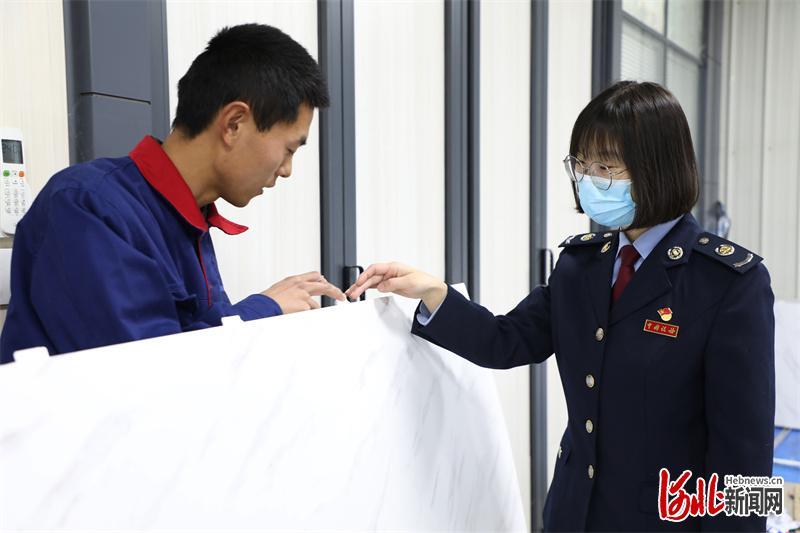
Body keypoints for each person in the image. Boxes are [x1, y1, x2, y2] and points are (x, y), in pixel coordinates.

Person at [346, 81, 775, 531]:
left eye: (605, 166)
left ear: (658, 168)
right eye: (582, 164)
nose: (589, 179)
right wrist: (434, 292)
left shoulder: (727, 283)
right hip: (572, 513)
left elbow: (744, 456)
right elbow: (507, 340)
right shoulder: (581, 266)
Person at [0, 23, 345, 363]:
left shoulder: (189, 217)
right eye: (289, 149)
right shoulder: (87, 206)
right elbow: (149, 370)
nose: (287, 170)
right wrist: (263, 309)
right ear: (234, 123)